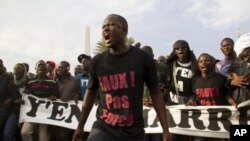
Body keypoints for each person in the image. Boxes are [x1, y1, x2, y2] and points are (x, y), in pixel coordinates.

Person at [72, 14, 170, 141]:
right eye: (103, 27)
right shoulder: (97, 61)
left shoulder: (143, 59)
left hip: (133, 132)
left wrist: (165, 130)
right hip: (103, 129)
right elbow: (90, 94)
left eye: (111, 25)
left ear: (124, 30)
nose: (105, 29)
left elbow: (156, 93)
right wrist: (80, 127)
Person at [188, 53, 236, 141]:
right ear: (198, 64)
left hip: (218, 121)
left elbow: (225, 94)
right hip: (201, 121)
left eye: (206, 61)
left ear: (212, 63)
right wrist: (191, 100)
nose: (203, 63)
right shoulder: (194, 79)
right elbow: (192, 94)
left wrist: (233, 103)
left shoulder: (220, 78)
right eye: (201, 61)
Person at [165, 40, 198, 141]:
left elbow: (197, 86)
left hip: (188, 104)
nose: (180, 50)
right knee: (173, 133)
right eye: (177, 48)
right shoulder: (171, 65)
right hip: (172, 103)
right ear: (174, 51)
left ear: (187, 49)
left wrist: (193, 98)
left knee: (187, 134)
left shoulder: (194, 66)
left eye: (183, 47)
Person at [21, 60, 59, 141]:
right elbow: (27, 94)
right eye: (39, 65)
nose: (41, 67)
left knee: (43, 138)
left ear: (46, 69)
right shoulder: (30, 81)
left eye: (43, 65)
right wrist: (26, 93)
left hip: (45, 112)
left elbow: (56, 94)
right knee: (24, 132)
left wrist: (54, 96)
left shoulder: (52, 82)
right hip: (33, 111)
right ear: (36, 68)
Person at [141, 46, 170, 141]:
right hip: (142, 110)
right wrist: (142, 101)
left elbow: (168, 86)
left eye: (148, 56)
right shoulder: (135, 68)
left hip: (158, 109)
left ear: (153, 56)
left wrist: (158, 98)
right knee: (144, 136)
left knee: (157, 136)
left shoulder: (163, 67)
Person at [50, 61, 80, 141]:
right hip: (57, 114)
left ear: (67, 68)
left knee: (63, 136)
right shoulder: (55, 81)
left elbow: (79, 95)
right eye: (58, 67)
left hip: (69, 114)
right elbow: (54, 94)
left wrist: (71, 97)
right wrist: (53, 96)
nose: (59, 69)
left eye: (61, 67)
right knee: (56, 136)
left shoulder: (75, 80)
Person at [4, 63, 28, 141]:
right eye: (15, 69)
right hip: (15, 113)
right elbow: (8, 98)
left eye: (18, 69)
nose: (16, 71)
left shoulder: (30, 82)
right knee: (7, 134)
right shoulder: (11, 83)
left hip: (27, 114)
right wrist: (14, 101)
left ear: (24, 71)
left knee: (24, 134)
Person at [0, 60, 12, 140]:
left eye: (0, 65)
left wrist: (10, 98)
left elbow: (14, 92)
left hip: (4, 108)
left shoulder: (9, 77)